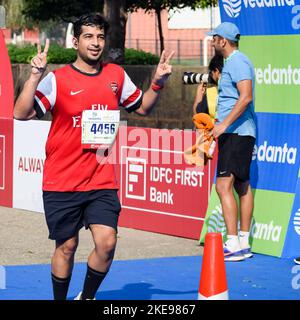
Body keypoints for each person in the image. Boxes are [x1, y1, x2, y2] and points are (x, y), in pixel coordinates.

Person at [14, 13, 174, 300]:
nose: (95, 42)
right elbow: (21, 113)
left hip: (101, 178)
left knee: (107, 242)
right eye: (88, 36)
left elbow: (142, 107)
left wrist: (158, 82)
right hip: (62, 180)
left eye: (100, 37)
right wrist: (35, 75)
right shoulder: (58, 79)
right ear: (76, 41)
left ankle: (87, 297)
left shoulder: (115, 76)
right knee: (67, 246)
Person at [207, 22, 256, 262]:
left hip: (236, 132)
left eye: (213, 38)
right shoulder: (233, 63)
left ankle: (233, 243)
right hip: (237, 132)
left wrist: (224, 125)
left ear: (222, 41)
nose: (212, 42)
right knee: (241, 185)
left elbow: (246, 97)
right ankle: (243, 242)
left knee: (223, 186)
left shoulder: (237, 62)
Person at [192, 54, 223, 120]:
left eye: (211, 73)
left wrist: (199, 95)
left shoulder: (212, 93)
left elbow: (198, 116)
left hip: (215, 129)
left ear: (217, 72)